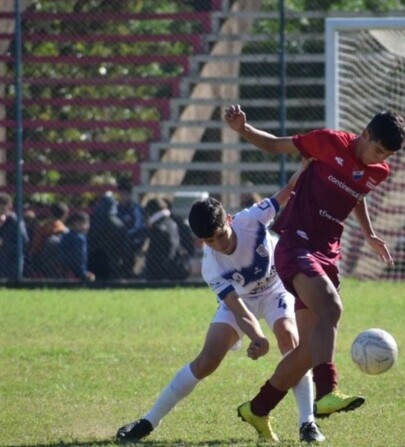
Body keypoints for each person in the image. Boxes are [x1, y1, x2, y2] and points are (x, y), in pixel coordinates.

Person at [224, 104, 405, 440]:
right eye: (378, 149)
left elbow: (357, 192)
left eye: (387, 155)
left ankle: (258, 408)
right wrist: (243, 129)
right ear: (364, 134)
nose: (379, 158)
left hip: (327, 253)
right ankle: (327, 393)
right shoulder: (327, 142)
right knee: (332, 307)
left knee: (308, 350)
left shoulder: (378, 170)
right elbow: (275, 145)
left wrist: (367, 232)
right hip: (296, 243)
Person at [116, 159, 325, 444]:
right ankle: (148, 421)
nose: (218, 245)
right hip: (243, 300)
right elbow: (237, 308)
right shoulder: (211, 266)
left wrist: (307, 164)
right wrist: (257, 337)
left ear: (229, 220)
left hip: (276, 288)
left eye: (219, 236)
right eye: (208, 242)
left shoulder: (252, 219)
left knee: (290, 341)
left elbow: (289, 189)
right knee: (206, 361)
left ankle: (307, 424)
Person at [143, 198, 189, 281]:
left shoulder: (157, 227)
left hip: (159, 270)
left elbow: (154, 253)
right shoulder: (173, 223)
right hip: (176, 267)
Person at [87, 192, 130, 280]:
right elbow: (125, 246)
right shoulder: (119, 224)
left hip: (93, 260)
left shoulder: (91, 221)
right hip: (113, 261)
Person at [28, 201, 69, 278]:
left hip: (41, 260)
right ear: (65, 215)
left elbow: (35, 247)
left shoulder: (43, 228)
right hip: (61, 262)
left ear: (50, 213)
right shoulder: (65, 230)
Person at [116, 178, 145, 278]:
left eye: (126, 194)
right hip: (119, 237)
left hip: (134, 238)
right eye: (122, 194)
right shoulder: (116, 208)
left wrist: (127, 233)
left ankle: (127, 270)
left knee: (127, 241)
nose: (123, 196)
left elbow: (137, 226)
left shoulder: (135, 208)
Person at [0, 193, 29, 281]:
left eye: (1, 209)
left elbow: (24, 244)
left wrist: (3, 244)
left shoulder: (16, 223)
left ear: (9, 208)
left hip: (12, 264)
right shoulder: (2, 222)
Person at [60, 211, 95, 282]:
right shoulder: (80, 239)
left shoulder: (66, 235)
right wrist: (84, 274)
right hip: (75, 273)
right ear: (77, 224)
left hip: (63, 269)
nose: (88, 226)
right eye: (86, 224)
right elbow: (80, 259)